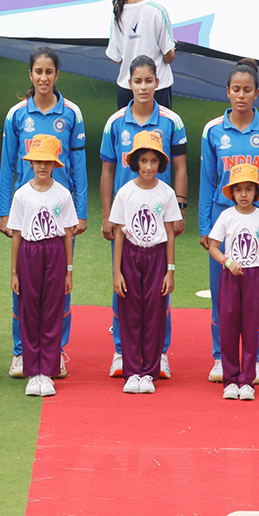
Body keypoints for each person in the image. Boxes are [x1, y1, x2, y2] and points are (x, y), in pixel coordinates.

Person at [0, 47, 86, 381]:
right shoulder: (17, 115)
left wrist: (80, 214)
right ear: (30, 75)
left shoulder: (72, 113)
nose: (44, 78)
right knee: (22, 288)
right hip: (26, 213)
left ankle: (55, 351)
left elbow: (78, 166)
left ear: (57, 75)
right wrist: (6, 212)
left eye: (49, 72)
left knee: (59, 287)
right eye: (38, 72)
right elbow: (8, 165)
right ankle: (21, 352)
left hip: (61, 218)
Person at [98, 55, 188, 379]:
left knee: (159, 287)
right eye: (137, 81)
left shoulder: (171, 122)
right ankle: (121, 351)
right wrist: (109, 216)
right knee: (122, 285)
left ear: (158, 82)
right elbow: (108, 171)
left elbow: (179, 167)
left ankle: (159, 353)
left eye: (149, 80)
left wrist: (179, 206)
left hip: (160, 218)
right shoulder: (115, 123)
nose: (143, 87)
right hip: (127, 225)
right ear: (129, 83)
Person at [198, 59, 259, 385]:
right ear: (227, 91)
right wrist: (205, 228)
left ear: (257, 93)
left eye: (247, 90)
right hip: (224, 225)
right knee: (223, 296)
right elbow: (207, 182)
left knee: (258, 296)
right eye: (235, 89)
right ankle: (221, 358)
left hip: (258, 222)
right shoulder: (213, 131)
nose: (241, 95)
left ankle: (257, 359)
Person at [5, 135, 79, 397]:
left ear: (56, 164)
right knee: (29, 309)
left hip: (54, 251)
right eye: (38, 161)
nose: (43, 167)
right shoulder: (22, 194)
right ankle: (31, 369)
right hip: (29, 251)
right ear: (31, 163)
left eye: (48, 162)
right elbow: (16, 234)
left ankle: (47, 372)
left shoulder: (63, 194)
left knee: (51, 310)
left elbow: (68, 234)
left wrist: (69, 270)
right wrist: (14, 272)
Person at [108, 130, 180, 393]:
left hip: (157, 256)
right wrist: (116, 271)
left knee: (154, 313)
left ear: (160, 163)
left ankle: (149, 372)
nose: (148, 167)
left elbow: (170, 232)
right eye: (143, 161)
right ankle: (131, 371)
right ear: (135, 162)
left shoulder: (166, 193)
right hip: (131, 254)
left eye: (153, 161)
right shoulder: (125, 192)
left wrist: (170, 270)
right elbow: (118, 232)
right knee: (130, 314)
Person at [206, 164, 259, 401]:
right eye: (239, 190)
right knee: (228, 327)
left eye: (249, 189)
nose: (244, 195)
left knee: (250, 329)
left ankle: (247, 381)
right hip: (230, 278)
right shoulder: (226, 216)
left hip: (253, 277)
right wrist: (227, 262)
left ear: (256, 192)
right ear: (232, 193)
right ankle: (230, 379)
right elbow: (213, 246)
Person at [106, 0, 176, 107]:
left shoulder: (118, 13)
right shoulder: (158, 12)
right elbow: (168, 57)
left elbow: (116, 58)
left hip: (127, 88)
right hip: (157, 89)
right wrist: (172, 47)